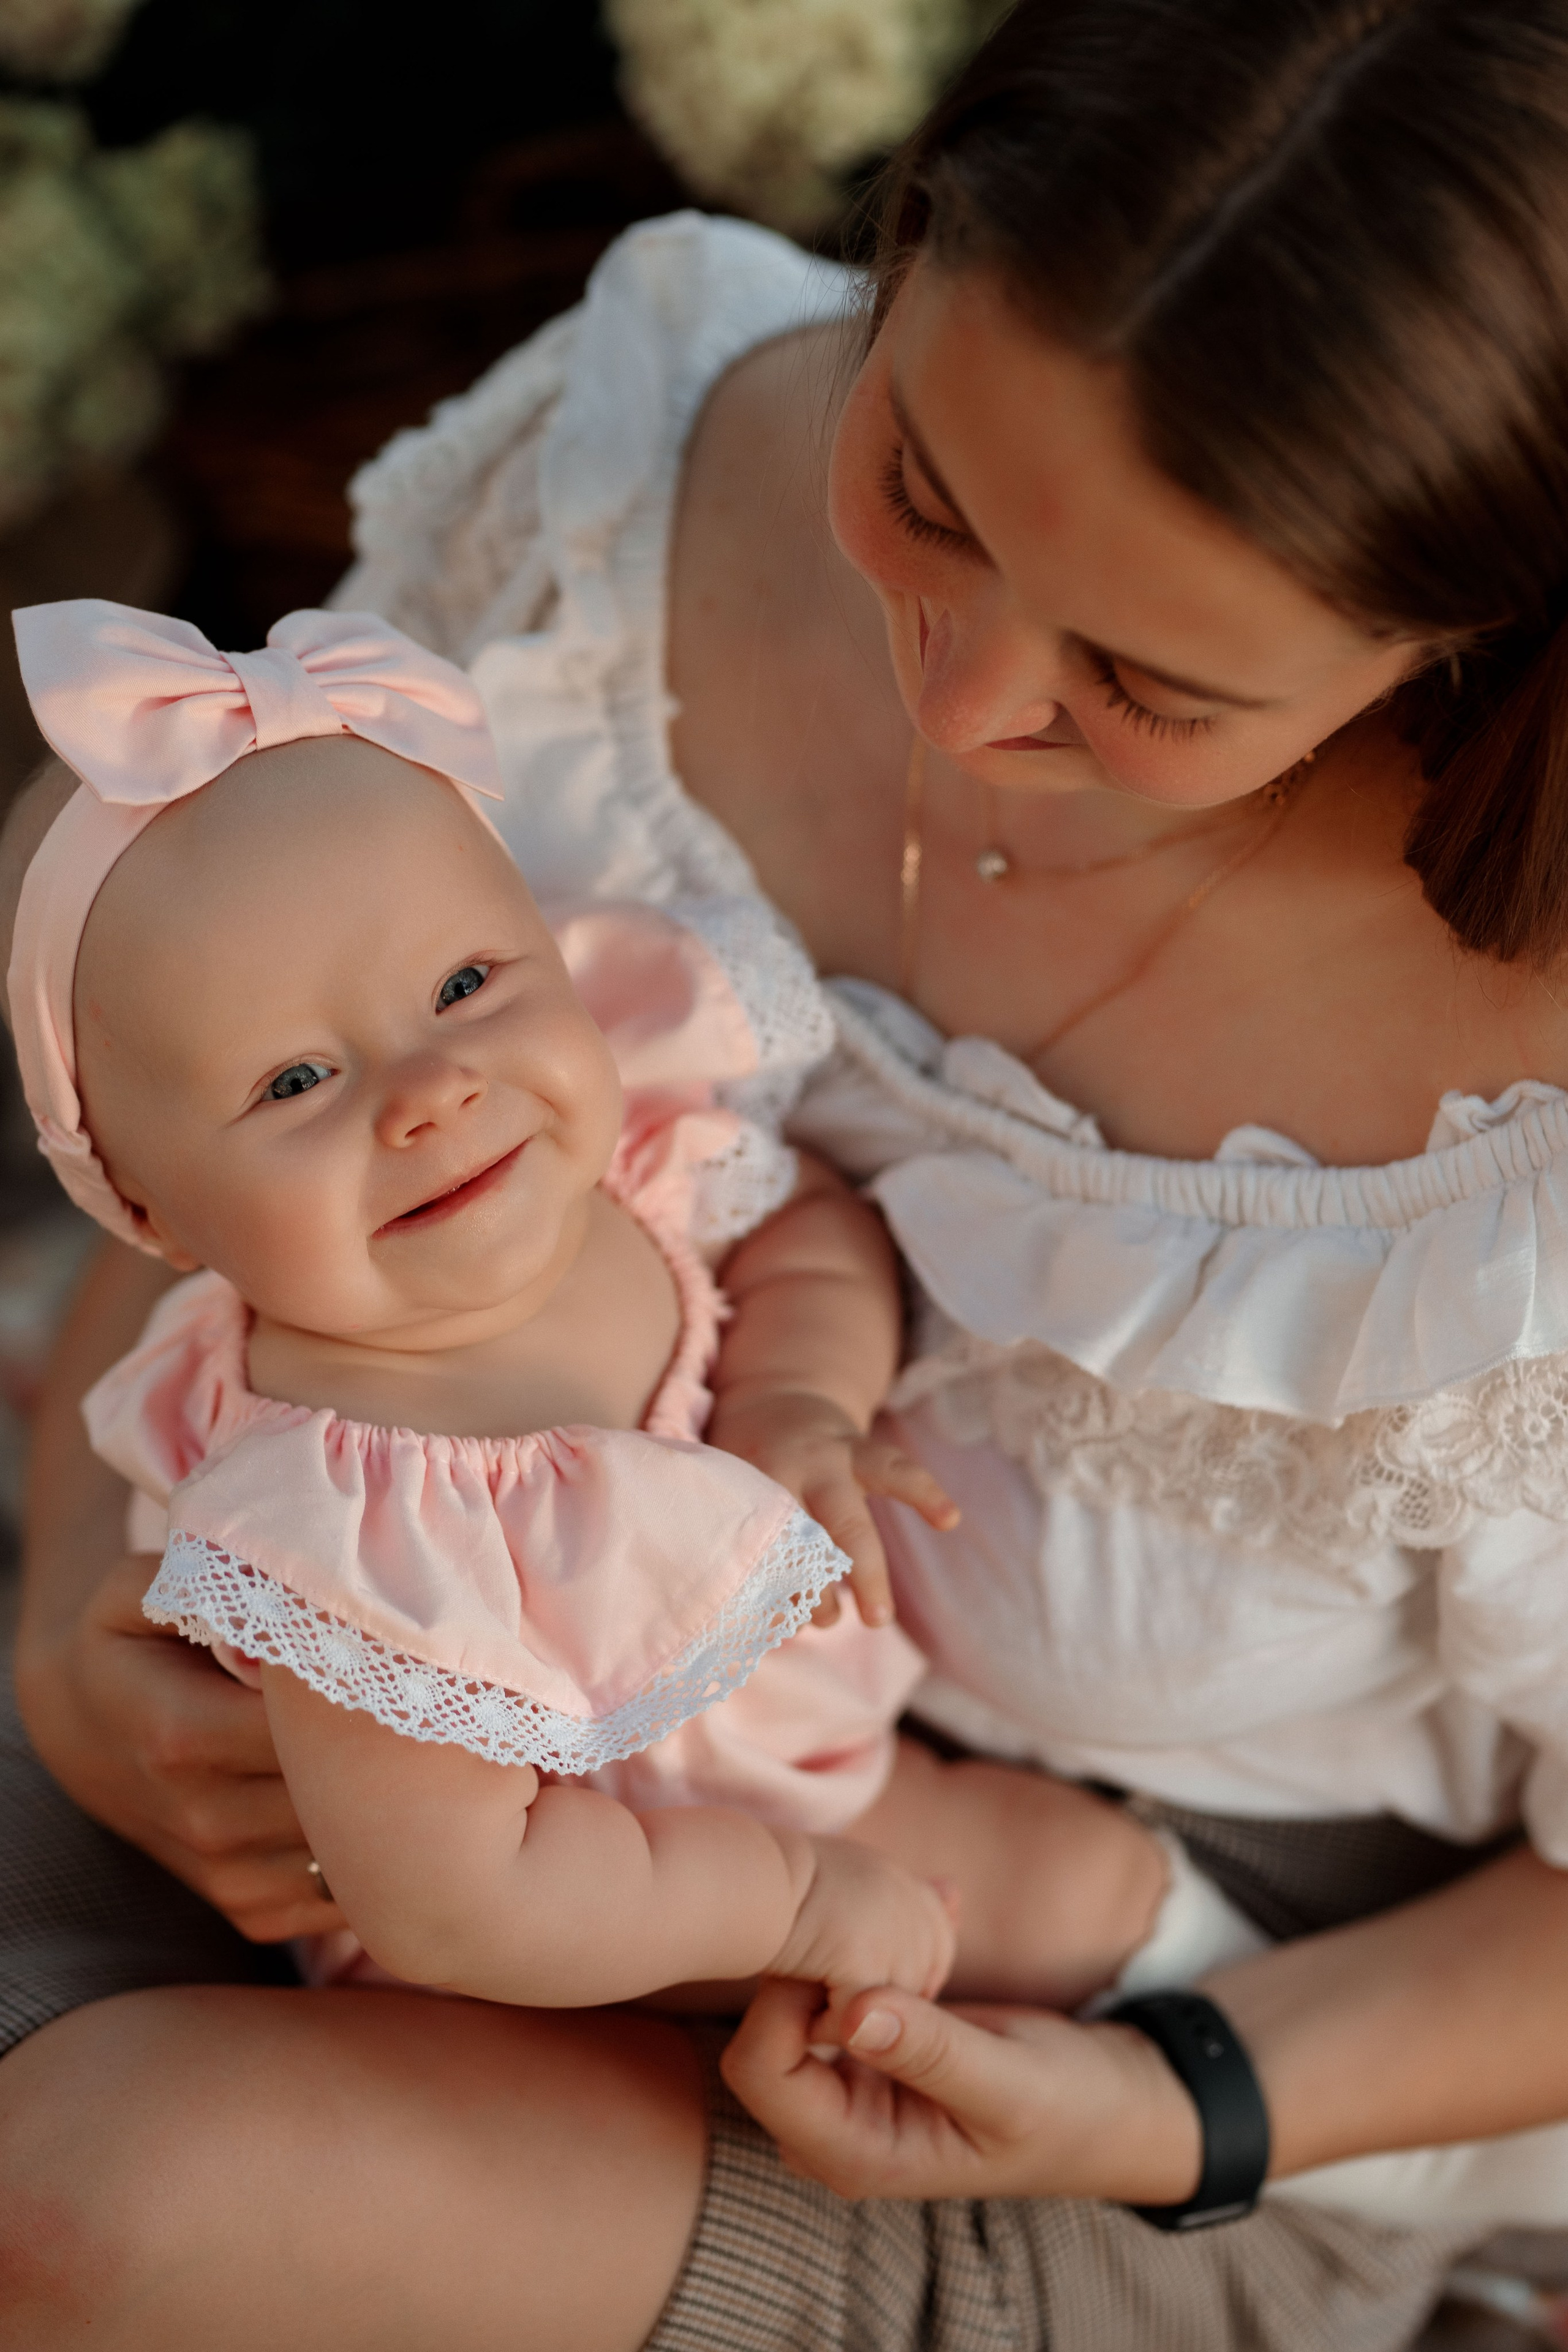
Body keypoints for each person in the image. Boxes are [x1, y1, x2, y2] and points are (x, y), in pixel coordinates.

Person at [9, 1, 1568, 2344]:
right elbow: (239, 1071)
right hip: (414, 1773)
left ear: (1468, 636)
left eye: (1147, 680)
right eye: (925, 483)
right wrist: (65, 1638)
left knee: (100, 2198)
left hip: (1122, 2031)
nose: (953, 699)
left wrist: (1179, 2109)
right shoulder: (633, 482)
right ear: (905, 235)